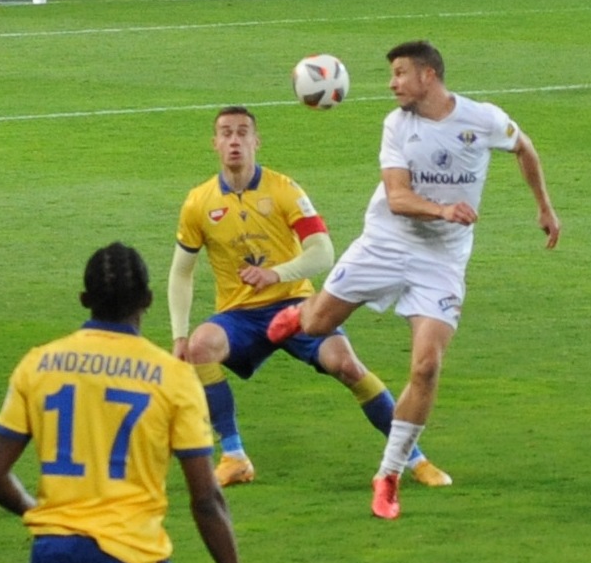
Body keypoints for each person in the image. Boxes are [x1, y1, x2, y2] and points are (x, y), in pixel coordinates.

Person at [268, 40, 561, 519]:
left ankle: (388, 475)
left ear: (428, 76)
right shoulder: (396, 125)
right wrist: (444, 210)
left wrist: (544, 207)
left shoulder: (483, 118)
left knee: (426, 367)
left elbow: (523, 147)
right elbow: (398, 197)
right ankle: (299, 312)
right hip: (385, 243)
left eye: (400, 73)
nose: (392, 84)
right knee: (317, 325)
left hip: (441, 262)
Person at [167, 105, 452, 489]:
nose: (234, 141)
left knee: (346, 365)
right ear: (214, 143)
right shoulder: (198, 202)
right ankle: (234, 457)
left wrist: (276, 274)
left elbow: (322, 251)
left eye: (242, 133)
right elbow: (181, 273)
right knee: (201, 346)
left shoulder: (284, 189)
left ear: (256, 141)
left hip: (296, 308)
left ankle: (414, 459)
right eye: (226, 133)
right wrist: (179, 335)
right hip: (240, 315)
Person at [0, 242, 241, 563]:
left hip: (53, 554)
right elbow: (205, 499)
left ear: (84, 300)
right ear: (147, 300)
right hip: (130, 554)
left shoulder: (38, 365)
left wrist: (44, 517)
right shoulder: (173, 378)